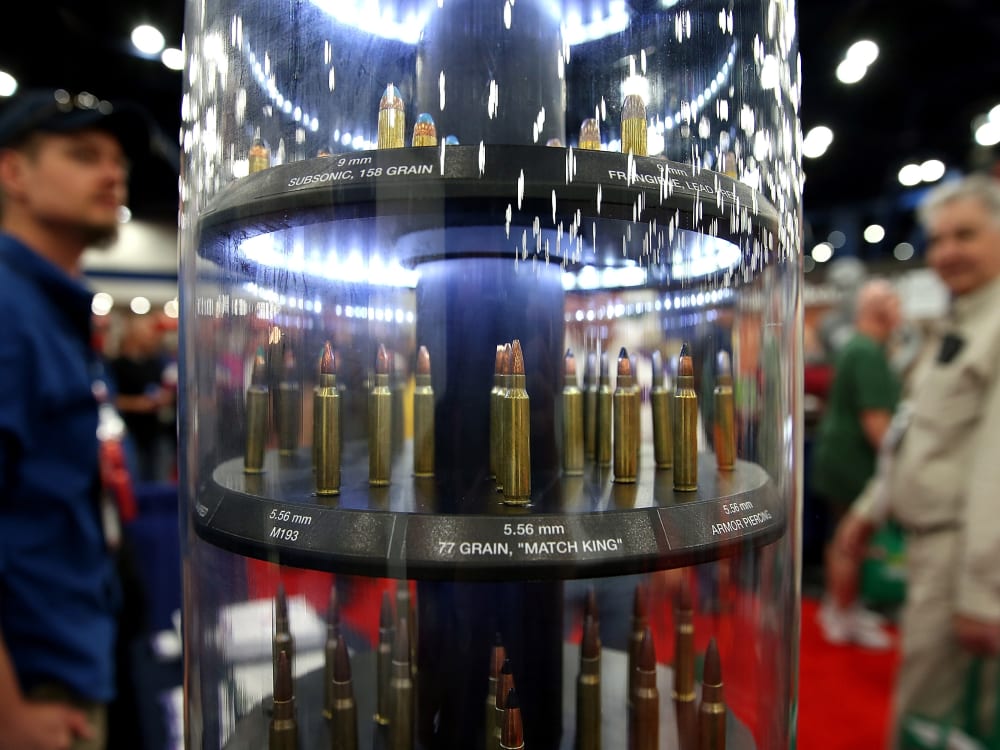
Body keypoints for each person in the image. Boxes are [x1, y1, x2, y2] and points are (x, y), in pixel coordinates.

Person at [0, 89, 149, 750]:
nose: (111, 174)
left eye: (117, 160)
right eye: (84, 155)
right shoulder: (8, 312)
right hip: (34, 685)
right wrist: (10, 716)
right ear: (13, 173)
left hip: (79, 647)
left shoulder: (53, 313)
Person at [835, 174, 1000, 747]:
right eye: (938, 239)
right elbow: (916, 433)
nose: (948, 252)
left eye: (966, 235)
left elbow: (994, 469)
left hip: (967, 558)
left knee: (934, 717)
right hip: (933, 550)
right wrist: (870, 507)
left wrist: (984, 593)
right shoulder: (959, 323)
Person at [811, 279, 902, 648]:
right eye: (894, 300)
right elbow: (876, 422)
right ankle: (841, 613)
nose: (901, 308)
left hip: (843, 458)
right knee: (850, 536)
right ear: (878, 310)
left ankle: (844, 609)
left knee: (845, 536)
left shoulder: (862, 347)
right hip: (852, 463)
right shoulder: (866, 352)